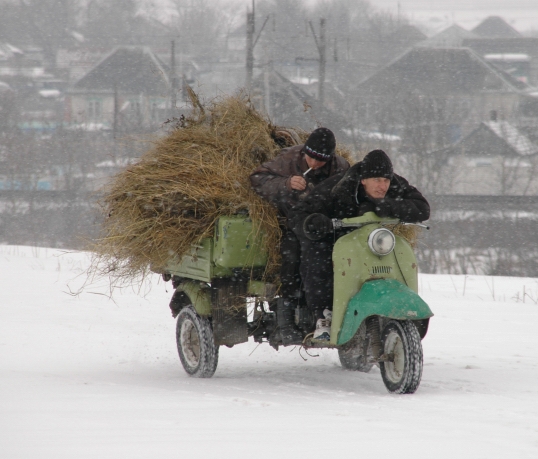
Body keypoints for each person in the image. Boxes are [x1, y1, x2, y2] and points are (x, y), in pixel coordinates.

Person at [289, 149, 430, 340]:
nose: (383, 186)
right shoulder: (339, 187)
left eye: (386, 180)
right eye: (377, 180)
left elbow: (422, 208)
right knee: (317, 257)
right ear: (363, 179)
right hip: (336, 236)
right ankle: (323, 316)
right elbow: (300, 213)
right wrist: (315, 222)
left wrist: (385, 206)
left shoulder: (394, 184)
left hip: (374, 238)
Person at [250, 127, 350, 344]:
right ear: (305, 151)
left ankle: (337, 310)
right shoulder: (289, 159)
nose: (314, 163)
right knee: (293, 254)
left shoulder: (341, 167)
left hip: (327, 224)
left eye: (320, 160)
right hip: (293, 221)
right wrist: (286, 184)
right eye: (311, 157)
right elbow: (257, 178)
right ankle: (287, 313)